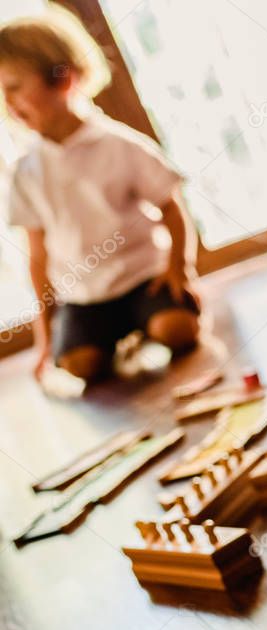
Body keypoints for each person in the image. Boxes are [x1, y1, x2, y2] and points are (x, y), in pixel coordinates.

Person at [0, 7, 200, 383]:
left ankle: (155, 318)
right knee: (81, 368)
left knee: (178, 332)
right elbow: (38, 258)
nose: (8, 104)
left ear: (62, 79)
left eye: (14, 87)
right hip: (85, 298)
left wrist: (178, 270)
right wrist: (44, 343)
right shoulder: (25, 171)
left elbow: (171, 207)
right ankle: (114, 338)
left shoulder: (118, 144)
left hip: (143, 279)